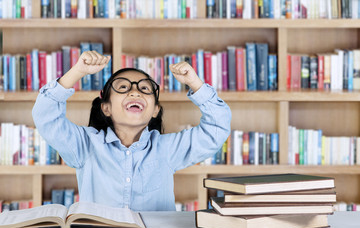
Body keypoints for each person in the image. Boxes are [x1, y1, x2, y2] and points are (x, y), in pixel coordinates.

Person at [32, 50, 232, 211]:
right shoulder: (85, 146)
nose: (135, 91)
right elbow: (45, 116)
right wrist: (77, 72)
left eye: (145, 89)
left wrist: (195, 84)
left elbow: (216, 129)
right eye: (123, 87)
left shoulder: (167, 148)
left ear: (155, 110)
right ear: (106, 108)